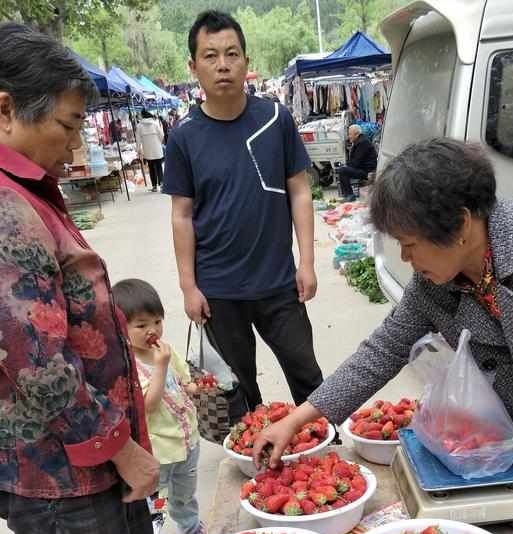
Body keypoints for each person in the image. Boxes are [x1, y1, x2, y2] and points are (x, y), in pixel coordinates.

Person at [254, 137, 513, 534]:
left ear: (460, 225)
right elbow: (383, 350)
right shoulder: (435, 284)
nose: (405, 257)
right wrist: (299, 418)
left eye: (411, 243)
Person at [0, 23, 159, 534]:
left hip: (83, 462)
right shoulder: (5, 212)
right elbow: (38, 369)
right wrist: (123, 450)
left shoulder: (32, 192)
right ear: (6, 111)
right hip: (59, 475)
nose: (77, 142)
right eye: (66, 125)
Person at [164, 10, 323, 417]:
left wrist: (306, 261)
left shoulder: (275, 119)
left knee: (307, 374)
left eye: (232, 54)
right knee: (237, 390)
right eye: (211, 55)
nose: (223, 65)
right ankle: (254, 464)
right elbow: (181, 215)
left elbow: (300, 191)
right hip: (219, 289)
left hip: (279, 283)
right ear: (193, 66)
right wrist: (188, 287)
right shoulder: (183, 137)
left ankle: (325, 450)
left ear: (246, 63)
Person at [112, 278, 207, 534]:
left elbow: (183, 380)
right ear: (121, 328)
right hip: (159, 453)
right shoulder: (129, 367)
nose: (152, 330)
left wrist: (193, 387)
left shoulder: (165, 351)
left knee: (185, 493)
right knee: (156, 504)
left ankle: (189, 527)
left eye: (156, 321)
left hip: (187, 440)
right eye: (141, 325)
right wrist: (160, 367)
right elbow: (147, 406)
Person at [335, 124, 378, 201]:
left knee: (342, 171)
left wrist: (346, 166)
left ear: (356, 134)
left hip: (367, 172)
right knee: (343, 169)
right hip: (363, 169)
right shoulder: (360, 141)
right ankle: (346, 194)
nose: (349, 136)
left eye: (350, 134)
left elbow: (356, 163)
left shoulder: (362, 143)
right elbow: (355, 162)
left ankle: (350, 195)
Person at [136, 109, 164, 191]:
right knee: (159, 167)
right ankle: (162, 185)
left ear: (142, 116)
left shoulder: (139, 126)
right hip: (157, 149)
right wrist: (158, 141)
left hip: (148, 150)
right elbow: (161, 135)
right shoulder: (155, 123)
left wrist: (138, 150)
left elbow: (138, 140)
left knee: (151, 168)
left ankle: (154, 186)